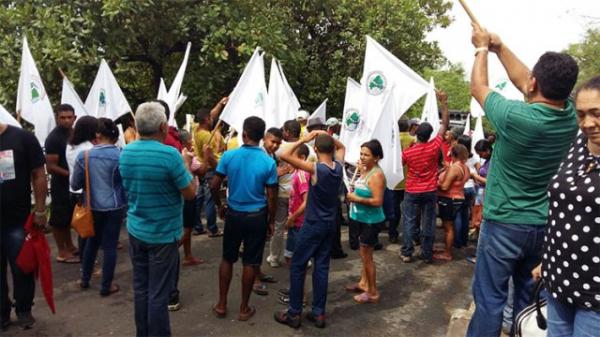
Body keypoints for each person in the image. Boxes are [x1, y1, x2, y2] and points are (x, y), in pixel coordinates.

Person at [467, 25, 579, 337]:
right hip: (544, 224)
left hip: (504, 222)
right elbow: (528, 83)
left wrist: (480, 49)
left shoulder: (515, 116)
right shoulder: (570, 116)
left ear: (533, 83)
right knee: (530, 302)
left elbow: (479, 88)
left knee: (489, 300)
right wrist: (499, 47)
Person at [119, 102, 196, 337]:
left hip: (136, 229)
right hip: (163, 234)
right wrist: (185, 164)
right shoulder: (170, 155)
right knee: (158, 294)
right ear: (163, 127)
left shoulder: (126, 152)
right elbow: (190, 193)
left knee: (141, 288)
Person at [530, 75, 600, 336]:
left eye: (596, 113)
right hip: (558, 280)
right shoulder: (578, 146)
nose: (588, 123)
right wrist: (548, 261)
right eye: (581, 115)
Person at [274, 131, 345, 329]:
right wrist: (327, 136)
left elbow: (285, 155)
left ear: (315, 149)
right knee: (321, 267)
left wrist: (305, 138)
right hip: (330, 223)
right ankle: (318, 313)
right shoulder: (338, 167)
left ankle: (294, 312)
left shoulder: (316, 169)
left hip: (313, 223)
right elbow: (342, 148)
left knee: (298, 266)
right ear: (332, 149)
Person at [210, 117, 278, 322]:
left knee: (227, 258)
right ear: (262, 137)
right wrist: (271, 220)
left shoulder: (229, 156)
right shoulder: (268, 161)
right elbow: (272, 195)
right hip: (257, 215)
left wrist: (219, 206)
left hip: (234, 214)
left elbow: (214, 185)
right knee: (250, 261)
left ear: (244, 134)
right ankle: (243, 307)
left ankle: (222, 304)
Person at [0, 122, 47, 330]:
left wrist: (40, 209)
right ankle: (2, 313)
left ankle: (24, 309)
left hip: (16, 221)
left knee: (23, 267)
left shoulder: (22, 138)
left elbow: (39, 174)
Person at [71, 118, 126, 296]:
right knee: (110, 246)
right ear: (115, 136)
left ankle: (85, 279)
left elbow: (75, 183)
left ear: (98, 135)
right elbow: (125, 181)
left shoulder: (84, 156)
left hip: (92, 206)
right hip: (115, 206)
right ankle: (106, 285)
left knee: (91, 244)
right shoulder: (121, 155)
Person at [400, 91, 449, 263]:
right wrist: (443, 103)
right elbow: (445, 124)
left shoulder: (409, 152)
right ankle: (426, 253)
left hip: (412, 190)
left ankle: (407, 252)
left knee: (409, 221)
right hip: (429, 190)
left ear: (416, 133)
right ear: (430, 135)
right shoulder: (435, 146)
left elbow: (400, 164)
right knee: (428, 223)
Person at [346, 140, 386, 304]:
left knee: (367, 256)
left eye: (366, 155)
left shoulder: (376, 175)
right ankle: (363, 283)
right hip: (360, 218)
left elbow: (378, 201)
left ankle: (373, 292)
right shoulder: (365, 170)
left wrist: (356, 198)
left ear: (376, 157)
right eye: (361, 153)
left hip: (371, 221)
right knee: (363, 255)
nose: (362, 157)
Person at [45, 103, 79, 263]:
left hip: (74, 185)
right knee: (59, 220)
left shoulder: (75, 134)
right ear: (57, 118)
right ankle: (62, 252)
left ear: (75, 118)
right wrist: (72, 174)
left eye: (69, 117)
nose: (66, 120)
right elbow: (50, 166)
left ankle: (70, 246)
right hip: (61, 185)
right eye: (62, 118)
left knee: (68, 219)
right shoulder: (53, 138)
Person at [278, 144, 311, 305]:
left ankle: (300, 297)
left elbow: (307, 202)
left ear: (302, 159)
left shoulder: (302, 175)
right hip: (295, 224)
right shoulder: (297, 173)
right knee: (290, 258)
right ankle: (295, 290)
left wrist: (292, 218)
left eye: (292, 158)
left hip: (299, 224)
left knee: (296, 261)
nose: (288, 162)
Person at [66, 116, 99, 268]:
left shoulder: (70, 145)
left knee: (82, 228)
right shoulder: (88, 149)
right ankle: (88, 263)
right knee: (89, 228)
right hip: (86, 191)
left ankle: (85, 260)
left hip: (73, 189)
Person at [266, 121, 300, 268]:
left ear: (287, 132)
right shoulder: (310, 150)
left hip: (281, 193)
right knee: (298, 227)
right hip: (300, 195)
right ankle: (303, 257)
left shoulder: (280, 149)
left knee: (278, 226)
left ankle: (274, 257)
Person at [435, 144, 470, 261]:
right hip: (458, 197)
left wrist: (434, 183)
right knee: (451, 226)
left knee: (448, 227)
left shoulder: (455, 167)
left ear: (454, 154)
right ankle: (447, 249)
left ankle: (447, 253)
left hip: (449, 199)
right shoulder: (466, 167)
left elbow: (445, 187)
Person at [192, 108, 222, 237]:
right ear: (206, 120)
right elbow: (210, 156)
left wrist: (220, 104)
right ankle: (212, 228)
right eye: (210, 118)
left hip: (199, 168)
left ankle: (197, 226)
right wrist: (219, 168)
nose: (212, 119)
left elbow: (208, 114)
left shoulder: (196, 130)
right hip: (209, 168)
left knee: (198, 199)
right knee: (210, 200)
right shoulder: (207, 136)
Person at [179, 130, 206, 266]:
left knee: (187, 227)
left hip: (182, 195)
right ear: (186, 141)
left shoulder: (178, 153)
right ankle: (169, 251)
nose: (192, 142)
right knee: (187, 228)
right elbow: (202, 170)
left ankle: (188, 255)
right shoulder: (187, 155)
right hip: (189, 195)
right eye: (191, 139)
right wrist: (206, 157)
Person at [389, 117, 416, 244]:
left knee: (394, 210)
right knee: (409, 212)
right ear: (408, 127)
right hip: (409, 181)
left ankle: (392, 233)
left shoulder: (392, 140)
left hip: (394, 181)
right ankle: (410, 236)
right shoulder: (414, 140)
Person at [453, 135, 477, 249]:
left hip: (460, 188)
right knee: (465, 214)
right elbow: (480, 170)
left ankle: (457, 241)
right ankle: (464, 240)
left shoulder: (458, 157)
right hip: (471, 188)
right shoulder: (474, 157)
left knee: (457, 214)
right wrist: (473, 176)